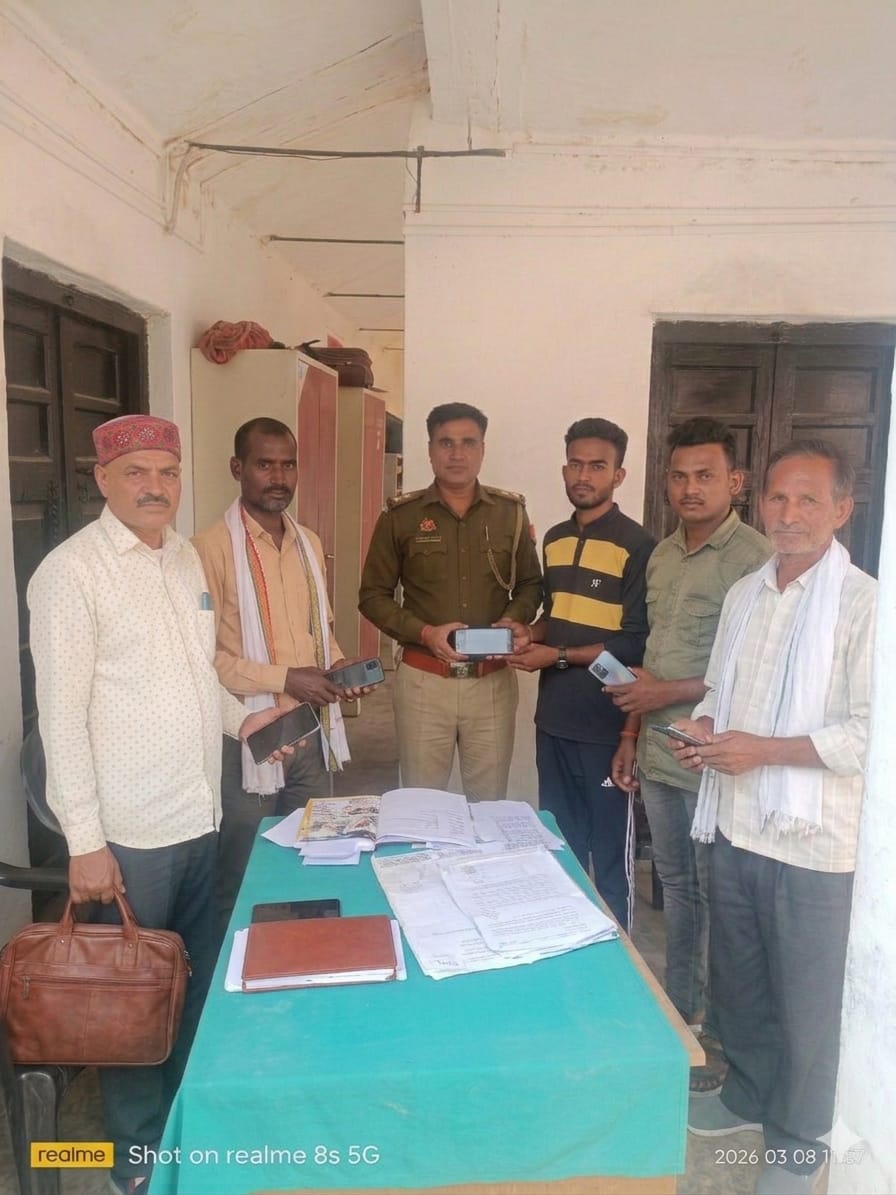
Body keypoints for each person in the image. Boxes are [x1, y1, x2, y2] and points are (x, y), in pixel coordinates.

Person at [27, 414, 288, 1195]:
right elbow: (62, 718)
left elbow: (198, 675)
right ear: (103, 479)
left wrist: (248, 723)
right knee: (132, 1003)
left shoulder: (182, 558)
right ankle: (134, 1160)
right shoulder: (71, 574)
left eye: (167, 472)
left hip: (198, 818)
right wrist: (84, 840)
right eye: (136, 472)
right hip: (128, 837)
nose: (155, 487)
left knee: (189, 988)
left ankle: (183, 1130)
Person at [670, 441, 875, 1195]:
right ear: (760, 503)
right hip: (739, 822)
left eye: (809, 499)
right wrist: (703, 727)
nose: (789, 514)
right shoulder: (746, 594)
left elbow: (868, 736)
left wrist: (763, 750)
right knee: (742, 980)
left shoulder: (865, 605)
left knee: (807, 1000)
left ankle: (798, 1136)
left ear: (842, 509)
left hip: (815, 842)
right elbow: (719, 691)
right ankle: (747, 1096)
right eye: (778, 498)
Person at [607, 417, 772, 1092]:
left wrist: (663, 694)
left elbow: (749, 669)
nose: (689, 488)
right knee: (675, 888)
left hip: (713, 758)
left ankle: (718, 1034)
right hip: (658, 752)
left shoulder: (756, 559)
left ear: (736, 481)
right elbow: (650, 655)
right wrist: (630, 732)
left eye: (705, 475)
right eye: (678, 476)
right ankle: (681, 1014)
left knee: (718, 897)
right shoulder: (663, 554)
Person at [193, 417, 370, 936]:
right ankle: (233, 966)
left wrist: (338, 668)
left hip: (309, 731)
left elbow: (321, 633)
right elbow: (204, 659)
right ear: (237, 468)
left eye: (288, 465)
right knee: (243, 867)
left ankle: (299, 952)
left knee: (309, 853)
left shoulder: (308, 543)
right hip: (249, 736)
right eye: (264, 464)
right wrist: (285, 678)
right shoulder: (208, 550)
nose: (278, 477)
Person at [505, 418, 654, 926]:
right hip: (554, 722)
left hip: (606, 724)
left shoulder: (638, 545)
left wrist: (558, 657)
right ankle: (569, 944)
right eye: (575, 464)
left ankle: (621, 960)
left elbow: (634, 641)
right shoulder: (555, 538)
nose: (583, 475)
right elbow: (558, 616)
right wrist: (531, 634)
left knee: (610, 860)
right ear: (564, 468)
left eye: (597, 466)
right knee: (562, 850)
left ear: (619, 475)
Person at [358, 402, 542, 798]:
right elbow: (372, 596)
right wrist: (424, 632)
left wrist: (514, 619)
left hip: (491, 683)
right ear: (430, 450)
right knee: (422, 806)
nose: (457, 454)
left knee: (488, 805)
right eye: (446, 443)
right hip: (425, 682)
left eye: (468, 443)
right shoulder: (401, 516)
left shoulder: (510, 513)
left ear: (482, 449)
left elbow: (531, 584)